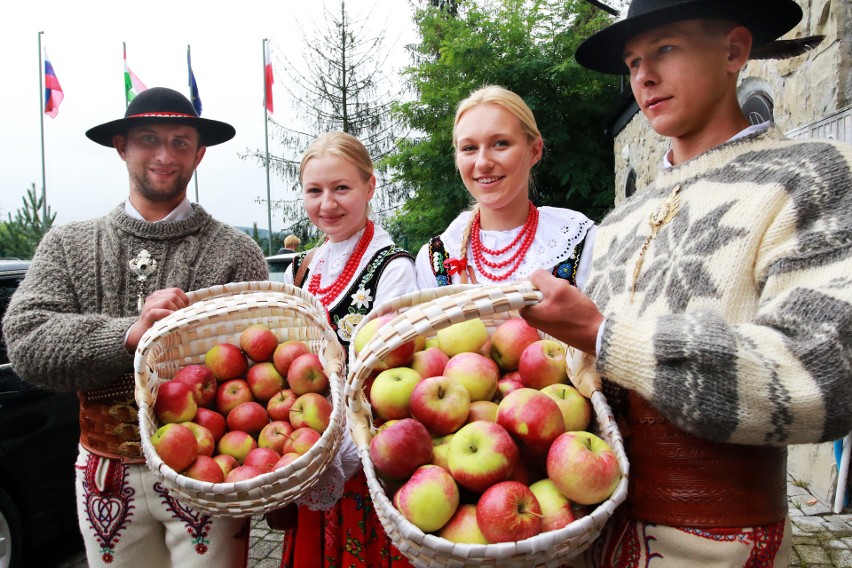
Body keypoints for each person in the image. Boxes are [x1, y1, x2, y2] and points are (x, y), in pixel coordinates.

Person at [520, 1, 852, 565]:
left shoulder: (809, 176)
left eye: (665, 49)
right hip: (591, 541)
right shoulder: (621, 220)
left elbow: (826, 374)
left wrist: (604, 336)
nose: (643, 76)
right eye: (632, 62)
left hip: (724, 549)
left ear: (734, 50)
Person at [2, 87, 269, 568]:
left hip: (212, 473)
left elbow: (260, 373)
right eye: (148, 139)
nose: (165, 155)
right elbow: (26, 342)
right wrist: (129, 333)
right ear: (121, 146)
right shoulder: (68, 245)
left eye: (180, 141)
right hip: (105, 476)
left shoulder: (237, 253)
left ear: (199, 153)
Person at [273, 131, 418, 567]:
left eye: (341, 188)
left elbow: (391, 371)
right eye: (314, 191)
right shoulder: (300, 269)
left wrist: (336, 457)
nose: (327, 204)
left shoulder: (393, 268)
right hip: (305, 445)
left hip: (365, 456)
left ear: (370, 186)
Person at [415, 85, 595, 291]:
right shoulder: (435, 259)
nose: (482, 163)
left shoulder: (579, 243)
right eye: (469, 148)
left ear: (535, 150)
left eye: (500, 143)